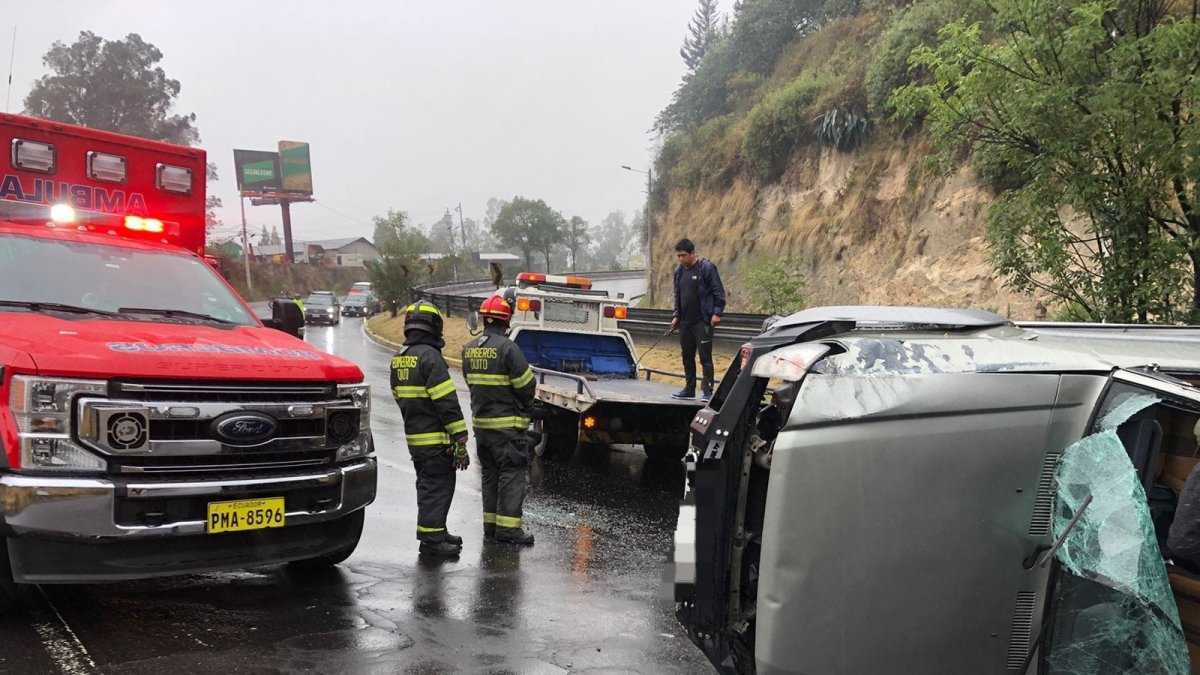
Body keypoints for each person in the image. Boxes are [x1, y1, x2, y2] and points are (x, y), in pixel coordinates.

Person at [391, 302, 471, 557]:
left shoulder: (400, 358)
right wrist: (459, 435)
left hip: (416, 438)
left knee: (428, 485)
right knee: (437, 486)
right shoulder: (430, 357)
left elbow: (398, 397)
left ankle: (438, 530)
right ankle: (431, 541)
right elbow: (446, 401)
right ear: (434, 326)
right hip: (436, 440)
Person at [463, 295, 538, 545]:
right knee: (511, 476)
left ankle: (491, 526)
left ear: (484, 319)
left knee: (490, 476)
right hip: (508, 431)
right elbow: (526, 386)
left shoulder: (469, 349)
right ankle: (508, 530)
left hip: (482, 429)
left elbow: (471, 383)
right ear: (506, 321)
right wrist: (528, 406)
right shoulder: (508, 349)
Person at [669, 238, 726, 401]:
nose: (681, 259)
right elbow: (677, 296)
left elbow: (718, 292)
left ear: (693, 253)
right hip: (685, 322)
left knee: (704, 357)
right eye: (679, 256)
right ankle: (689, 388)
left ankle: (707, 391)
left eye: (684, 255)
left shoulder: (706, 268)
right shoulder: (679, 272)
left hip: (702, 321)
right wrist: (676, 315)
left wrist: (717, 313)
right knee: (687, 356)